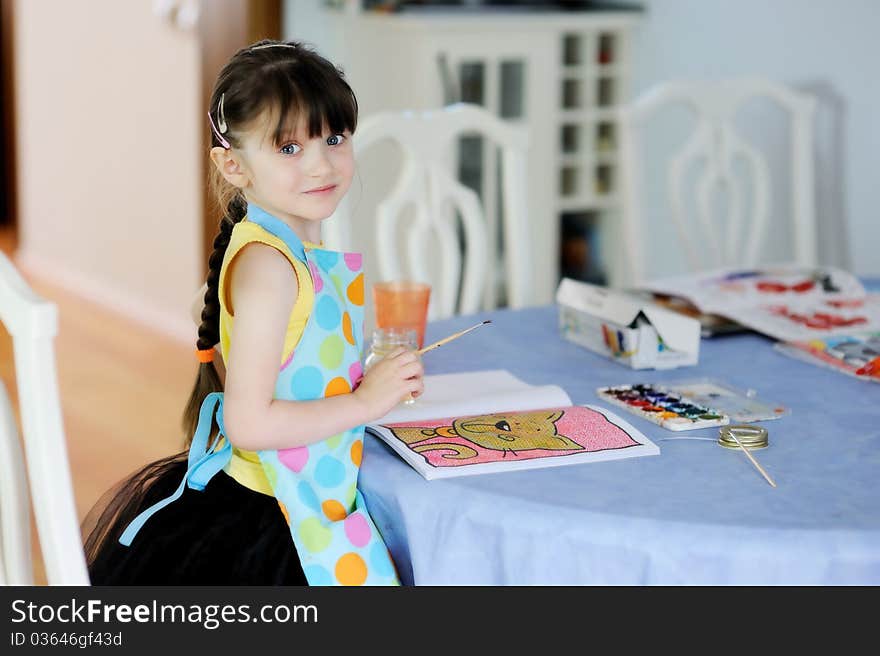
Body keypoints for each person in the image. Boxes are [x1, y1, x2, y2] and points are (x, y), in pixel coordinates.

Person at [83, 40, 424, 586]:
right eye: (289, 148)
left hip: (309, 495)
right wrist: (365, 401)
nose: (321, 164)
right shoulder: (270, 269)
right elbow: (249, 422)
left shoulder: (277, 249)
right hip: (278, 514)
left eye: (333, 139)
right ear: (233, 165)